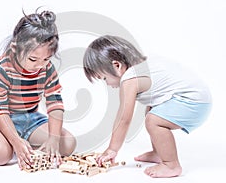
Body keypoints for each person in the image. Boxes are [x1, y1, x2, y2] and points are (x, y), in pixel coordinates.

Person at [83, 35, 212, 178]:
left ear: (117, 66)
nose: (107, 83)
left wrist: (112, 149)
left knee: (153, 120)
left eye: (104, 78)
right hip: (199, 99)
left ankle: (171, 165)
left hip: (194, 101)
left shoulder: (129, 78)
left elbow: (124, 118)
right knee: (151, 110)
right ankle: (159, 152)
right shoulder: (144, 64)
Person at [0, 9, 76, 170]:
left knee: (68, 143)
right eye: (33, 59)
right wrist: (16, 142)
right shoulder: (1, 69)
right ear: (15, 48)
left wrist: (53, 138)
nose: (40, 65)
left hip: (28, 117)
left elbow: (55, 104)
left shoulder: (47, 69)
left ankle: (21, 140)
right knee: (0, 155)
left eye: (46, 58)